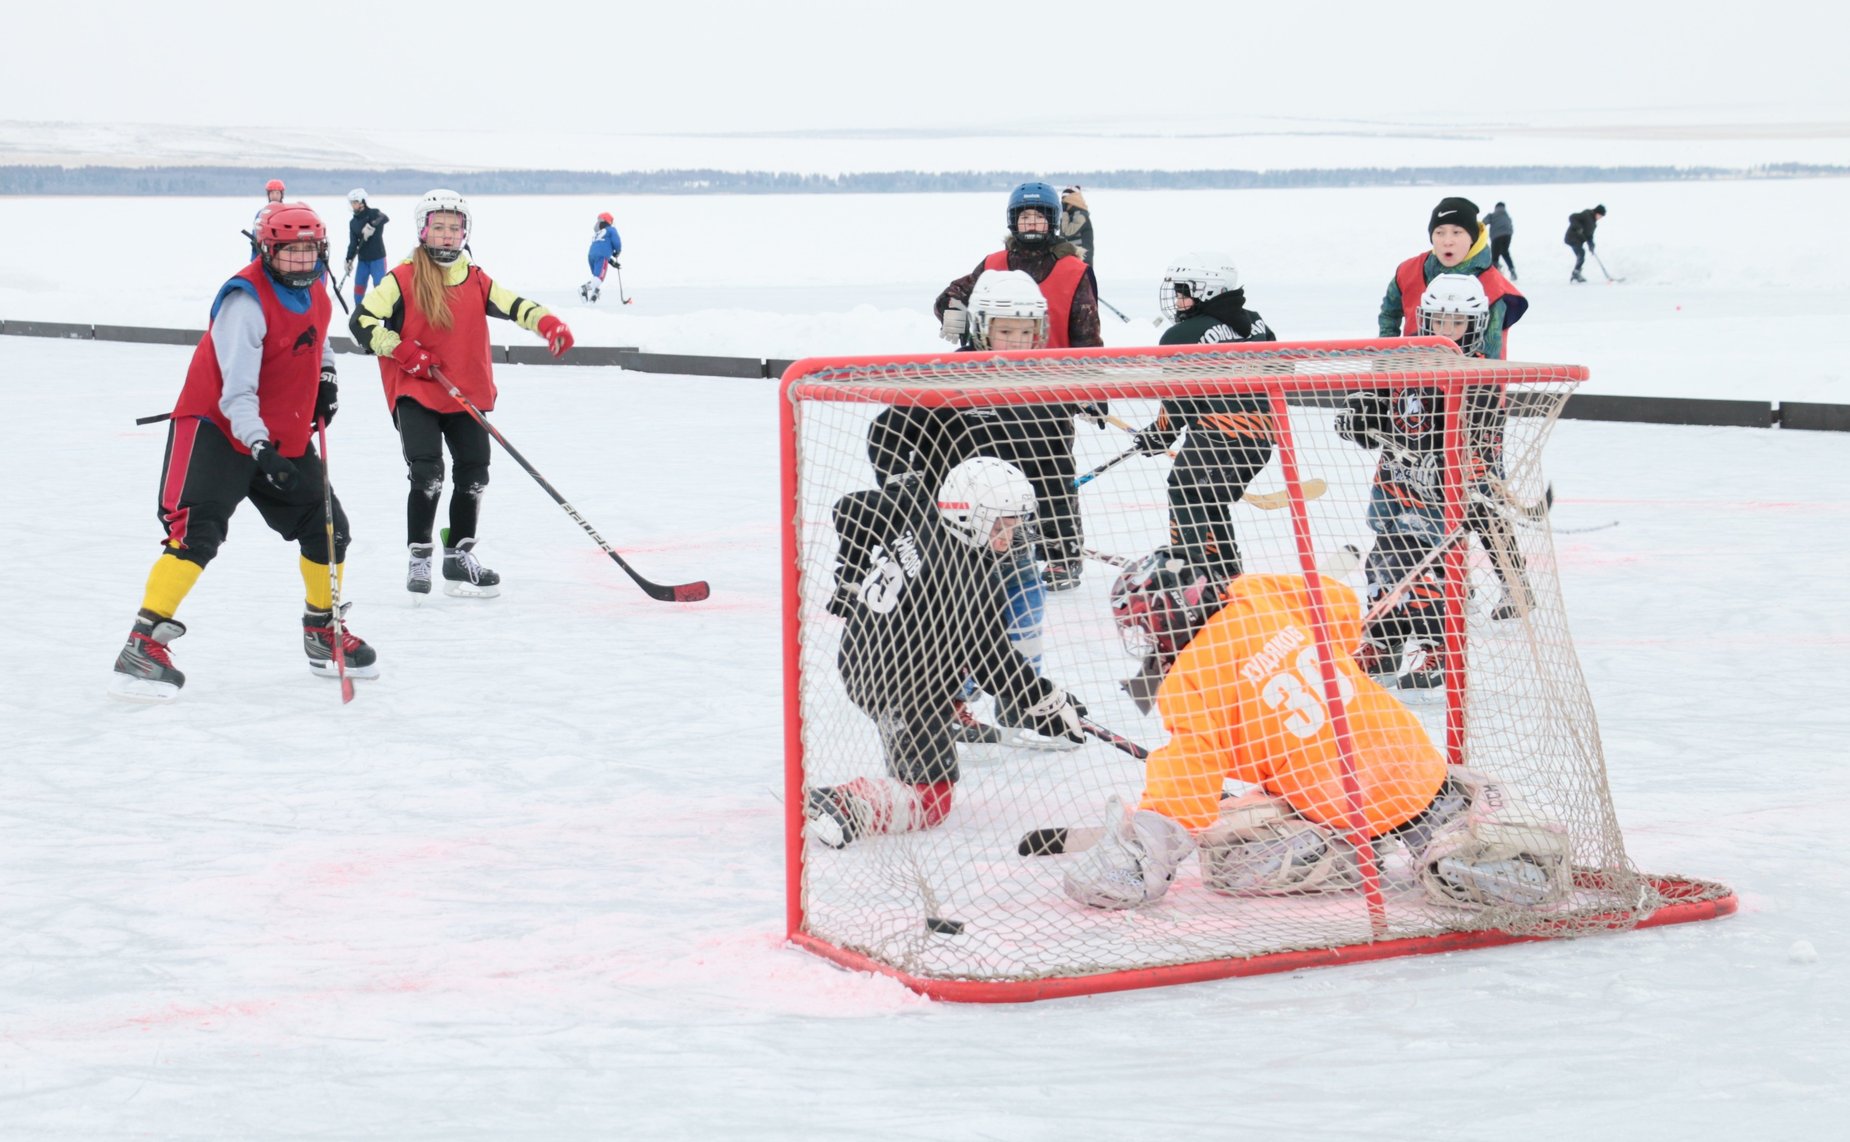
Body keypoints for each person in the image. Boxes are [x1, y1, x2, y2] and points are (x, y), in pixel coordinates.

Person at [1060, 561, 1570, 911]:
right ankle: (1445, 826)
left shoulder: (1188, 681)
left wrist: (1145, 849)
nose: (1146, 638)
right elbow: (1340, 603)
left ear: (1170, 614)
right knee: (1360, 756)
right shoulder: (1255, 596)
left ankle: (1346, 854)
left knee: (1228, 862)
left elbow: (1186, 782)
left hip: (1344, 806)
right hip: (1417, 762)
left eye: (1145, 624)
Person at [110, 202, 378, 701]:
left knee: (327, 528)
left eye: (310, 252)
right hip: (218, 430)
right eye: (290, 252)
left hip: (279, 433)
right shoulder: (245, 302)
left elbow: (317, 339)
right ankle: (141, 645)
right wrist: (260, 447)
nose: (301, 262)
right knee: (197, 534)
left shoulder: (316, 289)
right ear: (266, 251)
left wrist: (325, 377)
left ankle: (322, 630)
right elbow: (236, 392)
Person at [805, 456, 1093, 849]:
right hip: (895, 684)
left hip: (870, 649)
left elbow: (851, 507)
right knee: (931, 801)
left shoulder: (926, 510)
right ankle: (843, 803)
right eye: (999, 525)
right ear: (968, 515)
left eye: (1014, 524)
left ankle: (922, 737)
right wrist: (1045, 700)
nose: (1009, 536)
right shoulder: (965, 579)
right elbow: (991, 663)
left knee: (927, 734)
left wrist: (850, 575)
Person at [829, 271, 1056, 748]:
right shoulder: (947, 378)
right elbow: (885, 433)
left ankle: (1025, 706)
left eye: (1026, 331)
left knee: (1027, 610)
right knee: (958, 625)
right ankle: (948, 707)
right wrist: (910, 492)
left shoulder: (1039, 383)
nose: (1017, 342)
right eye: (1005, 330)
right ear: (980, 327)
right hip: (953, 536)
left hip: (1011, 530)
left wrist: (1060, 525)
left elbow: (1051, 460)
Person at [349, 189, 575, 598]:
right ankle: (420, 555)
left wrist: (548, 324)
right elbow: (361, 322)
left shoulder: (475, 277)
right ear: (423, 231)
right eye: (439, 227)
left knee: (474, 472)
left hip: (462, 392)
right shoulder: (401, 278)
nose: (447, 235)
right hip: (417, 389)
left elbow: (515, 305)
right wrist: (400, 349)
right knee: (428, 473)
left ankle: (458, 556)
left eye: (455, 228)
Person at [1341, 274, 1531, 693]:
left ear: (1475, 325)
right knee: (1381, 567)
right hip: (1394, 486)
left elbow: (1482, 444)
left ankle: (1439, 650)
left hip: (1442, 499)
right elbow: (1378, 420)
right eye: (1440, 320)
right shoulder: (1400, 361)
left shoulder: (1479, 376)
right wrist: (1359, 418)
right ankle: (1383, 646)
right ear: (1424, 319)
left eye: (1457, 322)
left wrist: (1451, 470)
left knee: (1425, 572)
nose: (1447, 330)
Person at [934, 181, 1104, 591]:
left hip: (1049, 391)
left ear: (1051, 222)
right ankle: (992, 548)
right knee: (989, 468)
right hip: (989, 387)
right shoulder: (993, 263)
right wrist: (952, 312)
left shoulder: (1074, 270)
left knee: (1053, 473)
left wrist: (1092, 391)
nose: (1031, 224)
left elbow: (1087, 336)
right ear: (1013, 221)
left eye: (1039, 217)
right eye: (1024, 217)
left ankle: (1062, 554)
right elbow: (949, 297)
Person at [1127, 253, 1279, 579]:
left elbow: (1178, 400)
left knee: (1186, 491)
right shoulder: (1256, 322)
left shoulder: (1182, 335)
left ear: (1207, 291)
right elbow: (1282, 371)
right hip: (1262, 438)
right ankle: (1226, 574)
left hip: (1219, 436)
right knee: (1208, 499)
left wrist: (1161, 433)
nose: (1178, 300)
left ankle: (1190, 575)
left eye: (1184, 292)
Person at [1377, 195, 1526, 358]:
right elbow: (1389, 314)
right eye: (1439, 232)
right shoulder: (1409, 272)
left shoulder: (1494, 287)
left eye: (1457, 232)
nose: (1447, 241)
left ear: (1472, 237)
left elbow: (1492, 353)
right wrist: (1386, 355)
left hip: (1472, 372)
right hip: (1414, 369)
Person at [342, 189, 390, 308]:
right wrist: (348, 259)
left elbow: (385, 218)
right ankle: (358, 310)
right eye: (351, 203)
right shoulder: (353, 222)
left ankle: (383, 310)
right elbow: (353, 243)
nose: (353, 205)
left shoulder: (374, 213)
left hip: (377, 258)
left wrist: (372, 225)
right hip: (363, 260)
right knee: (359, 286)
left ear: (362, 202)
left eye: (355, 202)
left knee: (379, 286)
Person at [582, 212, 623, 303]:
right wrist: (618, 251)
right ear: (608, 221)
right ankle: (584, 289)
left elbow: (600, 248)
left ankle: (593, 297)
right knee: (599, 278)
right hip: (601, 256)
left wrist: (611, 262)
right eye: (611, 221)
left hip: (591, 256)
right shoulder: (611, 230)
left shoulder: (598, 233)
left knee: (596, 277)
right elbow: (617, 242)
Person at [1564, 204, 1607, 283]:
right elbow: (1572, 217)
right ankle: (1576, 273)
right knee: (1581, 253)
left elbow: (1589, 236)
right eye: (1600, 215)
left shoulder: (1594, 224)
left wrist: (1591, 245)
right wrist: (1578, 227)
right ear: (1596, 212)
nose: (1600, 218)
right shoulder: (1586, 214)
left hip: (1579, 241)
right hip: (1572, 237)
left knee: (1581, 255)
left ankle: (1576, 272)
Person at [1059, 186, 1094, 269]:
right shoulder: (1073, 215)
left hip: (1082, 260)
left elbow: (1066, 233)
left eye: (1064, 203)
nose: (1063, 206)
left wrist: (1064, 214)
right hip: (1075, 258)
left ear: (1071, 201)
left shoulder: (1080, 215)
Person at [1483, 201, 1516, 279]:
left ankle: (1495, 275)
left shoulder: (1492, 215)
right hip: (1507, 235)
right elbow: (1510, 226)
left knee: (1495, 256)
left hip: (1496, 237)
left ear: (1496, 208)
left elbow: (1483, 223)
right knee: (1505, 252)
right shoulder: (1507, 216)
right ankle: (1512, 270)